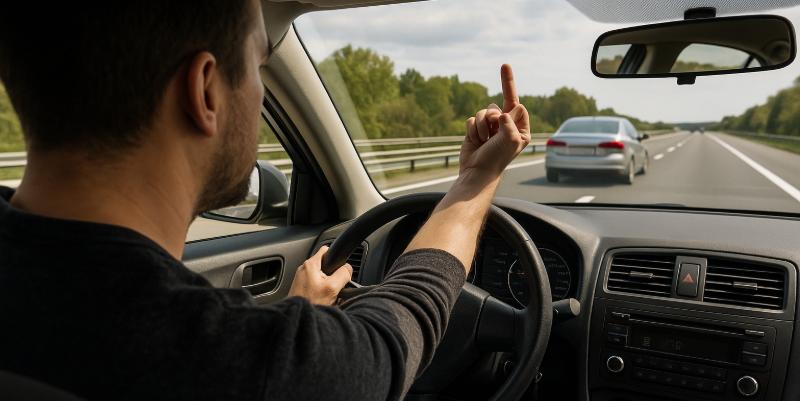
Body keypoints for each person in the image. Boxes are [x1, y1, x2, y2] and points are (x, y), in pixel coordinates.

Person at [0, 1, 531, 400]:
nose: (257, 93)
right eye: (259, 66)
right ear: (205, 91)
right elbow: (402, 325)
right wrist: (475, 181)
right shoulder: (240, 366)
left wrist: (297, 315)